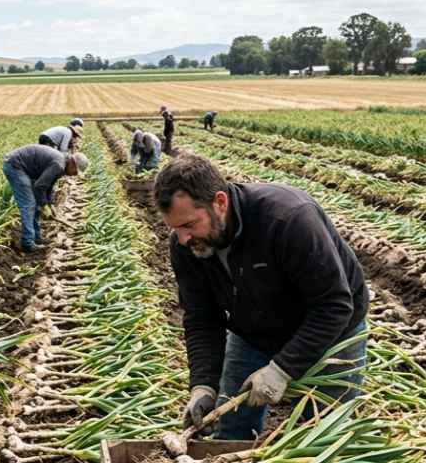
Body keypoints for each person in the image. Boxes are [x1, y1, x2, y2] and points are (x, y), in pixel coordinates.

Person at [154, 154, 368, 440]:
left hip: (331, 332)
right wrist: (203, 385)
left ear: (220, 202)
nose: (183, 238)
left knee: (323, 435)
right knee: (231, 428)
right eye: (175, 228)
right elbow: (202, 317)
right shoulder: (186, 246)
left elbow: (334, 306)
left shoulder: (287, 219)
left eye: (189, 225)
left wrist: (282, 369)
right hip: (253, 332)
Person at [2, 144, 88, 253]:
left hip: (24, 168)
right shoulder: (59, 164)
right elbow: (39, 187)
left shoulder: (61, 163)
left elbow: (48, 186)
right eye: (75, 172)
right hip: (15, 166)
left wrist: (50, 204)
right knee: (29, 204)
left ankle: (37, 238)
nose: (74, 175)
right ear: (73, 163)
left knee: (36, 204)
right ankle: (27, 243)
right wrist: (44, 206)